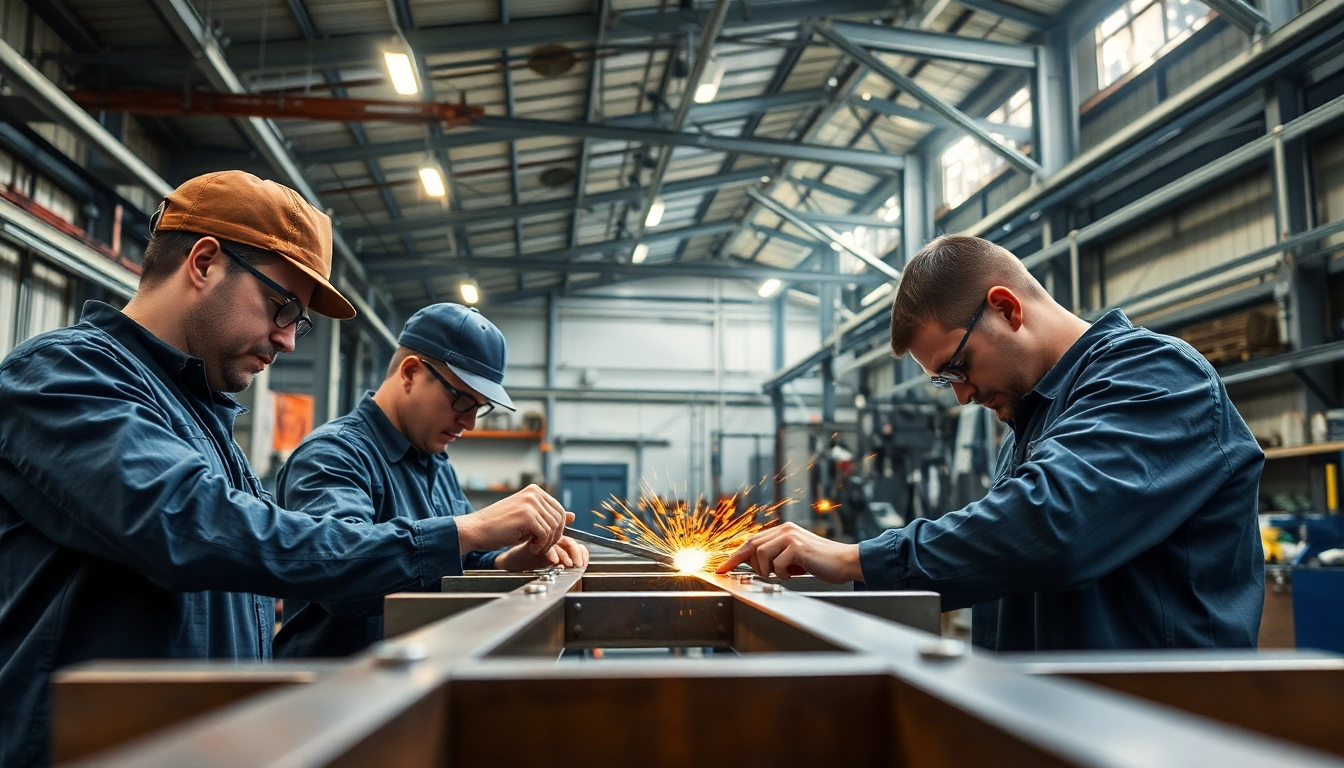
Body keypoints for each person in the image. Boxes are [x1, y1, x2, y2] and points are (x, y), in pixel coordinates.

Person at [0, 171, 568, 765]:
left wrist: (495, 557)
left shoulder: (205, 422)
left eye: (299, 320)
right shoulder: (66, 377)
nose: (289, 340)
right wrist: (462, 534)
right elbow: (187, 524)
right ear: (203, 262)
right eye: (281, 306)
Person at [720, 234, 1265, 651]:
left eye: (958, 367)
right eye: (944, 380)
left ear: (1007, 308)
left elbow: (1054, 526)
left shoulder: (1156, 377)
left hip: (1164, 733)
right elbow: (1007, 565)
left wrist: (859, 558)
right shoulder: (1031, 425)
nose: (960, 396)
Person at [273, 303, 589, 658]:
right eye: (462, 401)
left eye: (480, 407)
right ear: (410, 373)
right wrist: (469, 528)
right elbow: (340, 582)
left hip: (415, 686)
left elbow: (458, 566)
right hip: (333, 698)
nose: (469, 423)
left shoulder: (435, 463)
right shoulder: (333, 455)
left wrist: (513, 561)